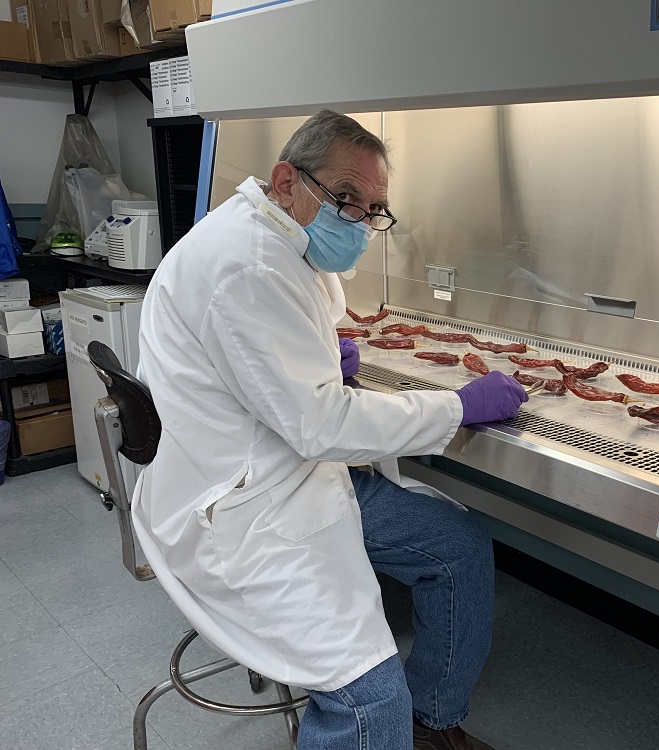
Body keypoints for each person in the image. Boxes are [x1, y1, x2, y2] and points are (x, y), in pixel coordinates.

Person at [132, 110, 528, 750]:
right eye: (345, 199)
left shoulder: (276, 236)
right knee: (366, 702)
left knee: (456, 547)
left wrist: (315, 355)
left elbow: (288, 361)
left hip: (283, 471)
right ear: (286, 179)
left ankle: (434, 720)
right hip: (245, 510)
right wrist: (457, 407)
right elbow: (320, 425)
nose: (358, 221)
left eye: (373, 209)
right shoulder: (248, 264)